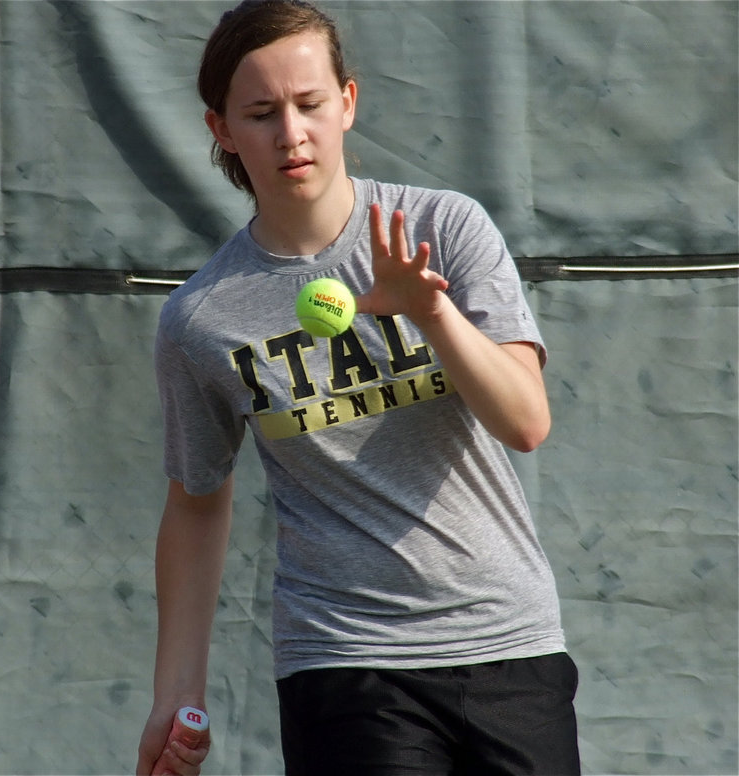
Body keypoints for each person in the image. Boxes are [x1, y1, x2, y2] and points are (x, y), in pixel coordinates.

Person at [137, 0, 580, 774]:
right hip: (343, 663)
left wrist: (431, 312)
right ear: (222, 130)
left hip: (510, 644)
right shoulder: (199, 320)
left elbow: (525, 422)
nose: (291, 133)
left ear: (347, 101)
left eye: (310, 104)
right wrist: (175, 697)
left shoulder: (445, 228)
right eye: (261, 113)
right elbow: (196, 504)